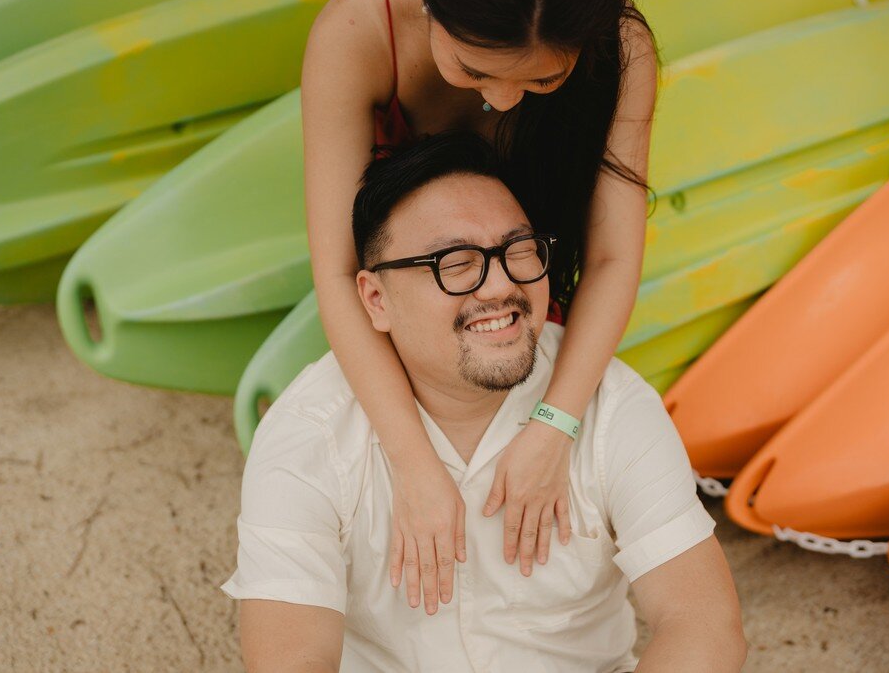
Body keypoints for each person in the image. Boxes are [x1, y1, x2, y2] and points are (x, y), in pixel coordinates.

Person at [223, 132, 746, 672]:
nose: (500, 286)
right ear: (376, 299)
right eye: (456, 263)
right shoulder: (310, 432)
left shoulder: (614, 406)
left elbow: (702, 624)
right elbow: (290, 660)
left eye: (519, 251)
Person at [302, 0, 659, 614]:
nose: (500, 98)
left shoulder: (622, 43)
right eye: (473, 68)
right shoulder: (357, 30)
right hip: (409, 298)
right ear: (435, 1)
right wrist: (414, 465)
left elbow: (611, 257)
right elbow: (333, 268)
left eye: (545, 78)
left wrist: (554, 425)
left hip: (530, 298)